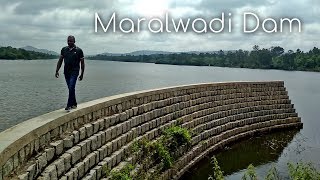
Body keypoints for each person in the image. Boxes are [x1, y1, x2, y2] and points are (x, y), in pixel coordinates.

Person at [55, 35, 85, 111]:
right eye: (68, 40)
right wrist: (57, 70)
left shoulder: (79, 50)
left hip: (75, 72)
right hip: (66, 72)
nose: (69, 42)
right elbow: (60, 60)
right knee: (71, 88)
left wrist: (82, 74)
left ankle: (69, 105)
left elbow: (82, 63)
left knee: (71, 87)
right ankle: (74, 103)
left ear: (74, 41)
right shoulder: (64, 49)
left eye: (71, 41)